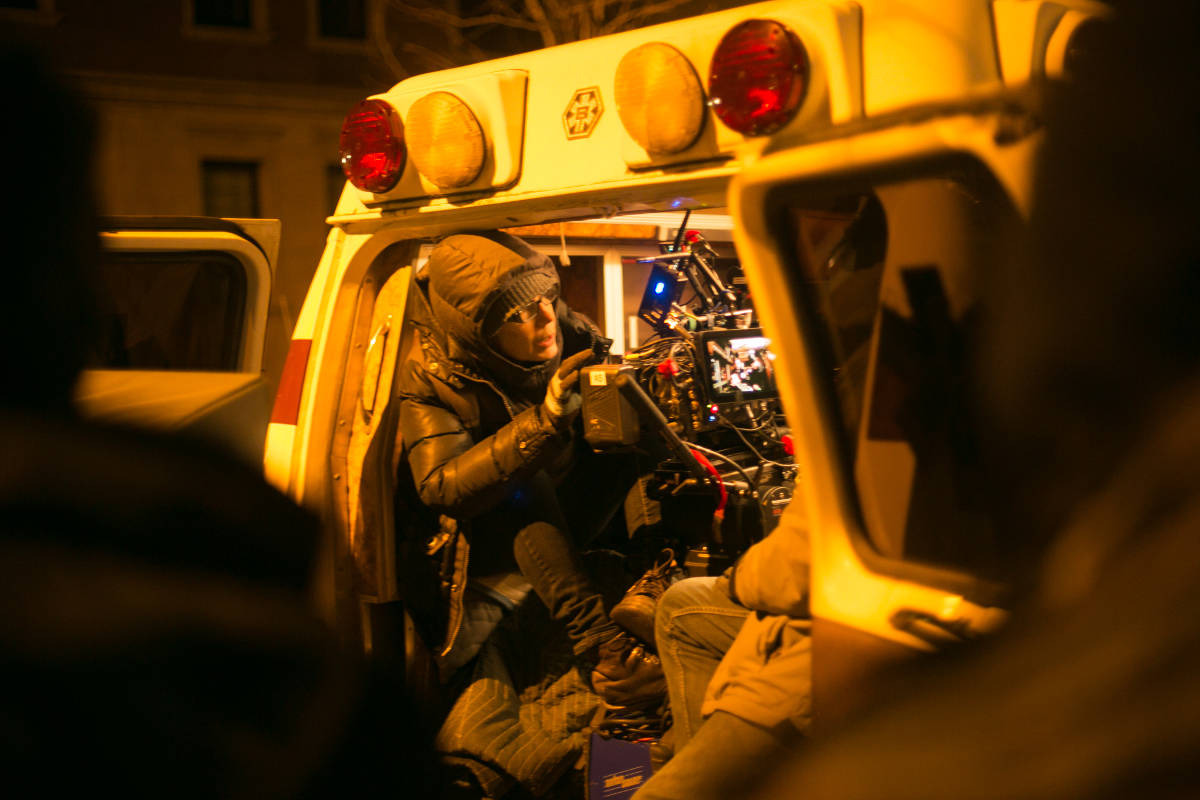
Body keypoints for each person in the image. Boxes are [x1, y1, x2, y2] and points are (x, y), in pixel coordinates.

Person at [393, 230, 665, 710]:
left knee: (634, 432)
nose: (545, 318)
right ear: (481, 330)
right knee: (524, 480)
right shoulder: (431, 378)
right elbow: (442, 488)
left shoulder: (568, 330)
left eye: (545, 298)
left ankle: (650, 579)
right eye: (519, 312)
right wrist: (544, 423)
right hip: (494, 538)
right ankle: (605, 649)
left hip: (574, 511)